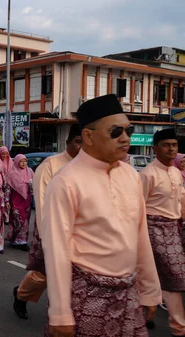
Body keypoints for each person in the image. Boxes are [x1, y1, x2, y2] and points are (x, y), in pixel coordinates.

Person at [41, 94, 161, 337]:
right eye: (116, 132)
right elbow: (57, 251)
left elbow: (140, 236)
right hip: (86, 295)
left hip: (129, 293)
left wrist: (150, 290)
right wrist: (60, 313)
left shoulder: (130, 176)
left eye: (129, 130)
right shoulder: (66, 182)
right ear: (88, 136)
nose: (125, 138)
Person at [12, 124, 82, 320]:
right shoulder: (51, 165)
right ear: (67, 142)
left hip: (81, 233)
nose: (82, 148)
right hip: (52, 229)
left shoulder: (91, 167)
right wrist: (46, 237)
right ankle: (21, 294)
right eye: (78, 142)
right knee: (44, 274)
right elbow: (42, 203)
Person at [140, 128, 185, 337]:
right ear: (155, 148)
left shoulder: (176, 172)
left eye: (174, 145)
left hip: (173, 229)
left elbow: (181, 201)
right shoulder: (148, 174)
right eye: (166, 145)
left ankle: (144, 317)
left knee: (155, 277)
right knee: (172, 277)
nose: (171, 149)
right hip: (152, 229)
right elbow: (137, 207)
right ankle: (179, 328)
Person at [6, 154, 33, 251]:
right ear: (17, 162)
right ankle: (14, 238)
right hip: (15, 201)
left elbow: (34, 184)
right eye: (21, 161)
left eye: (25, 161)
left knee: (25, 221)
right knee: (17, 220)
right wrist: (6, 200)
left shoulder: (29, 171)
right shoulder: (11, 174)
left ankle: (22, 241)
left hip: (26, 200)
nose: (23, 163)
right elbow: (8, 188)